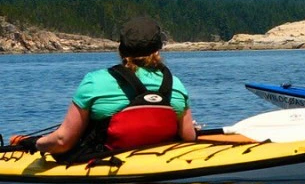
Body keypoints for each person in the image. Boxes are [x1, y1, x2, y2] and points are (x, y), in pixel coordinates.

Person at [11, 16, 197, 159]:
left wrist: (34, 143)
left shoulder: (95, 82)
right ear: (157, 50)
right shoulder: (176, 84)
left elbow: (62, 141)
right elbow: (189, 137)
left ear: (121, 49)